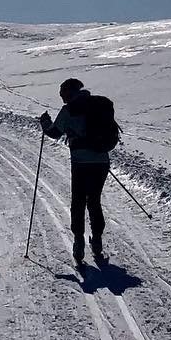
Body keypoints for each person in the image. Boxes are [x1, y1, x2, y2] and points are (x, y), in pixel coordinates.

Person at [38, 77, 115, 266]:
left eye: (63, 93)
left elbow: (56, 133)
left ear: (70, 92)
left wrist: (45, 124)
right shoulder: (98, 105)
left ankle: (79, 241)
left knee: (78, 201)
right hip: (101, 160)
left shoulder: (69, 110)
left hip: (81, 162)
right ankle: (97, 240)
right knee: (94, 200)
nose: (62, 97)